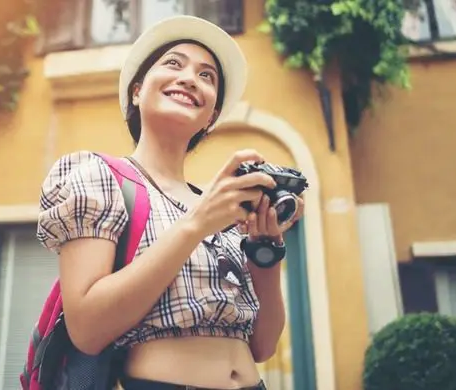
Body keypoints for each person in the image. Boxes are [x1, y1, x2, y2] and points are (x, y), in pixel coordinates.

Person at [37, 15, 304, 390]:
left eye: (207, 76)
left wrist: (266, 252)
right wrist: (196, 224)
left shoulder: (219, 207)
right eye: (174, 64)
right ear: (136, 91)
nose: (190, 78)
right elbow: (87, 329)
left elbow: (262, 346)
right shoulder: (99, 177)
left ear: (210, 117)